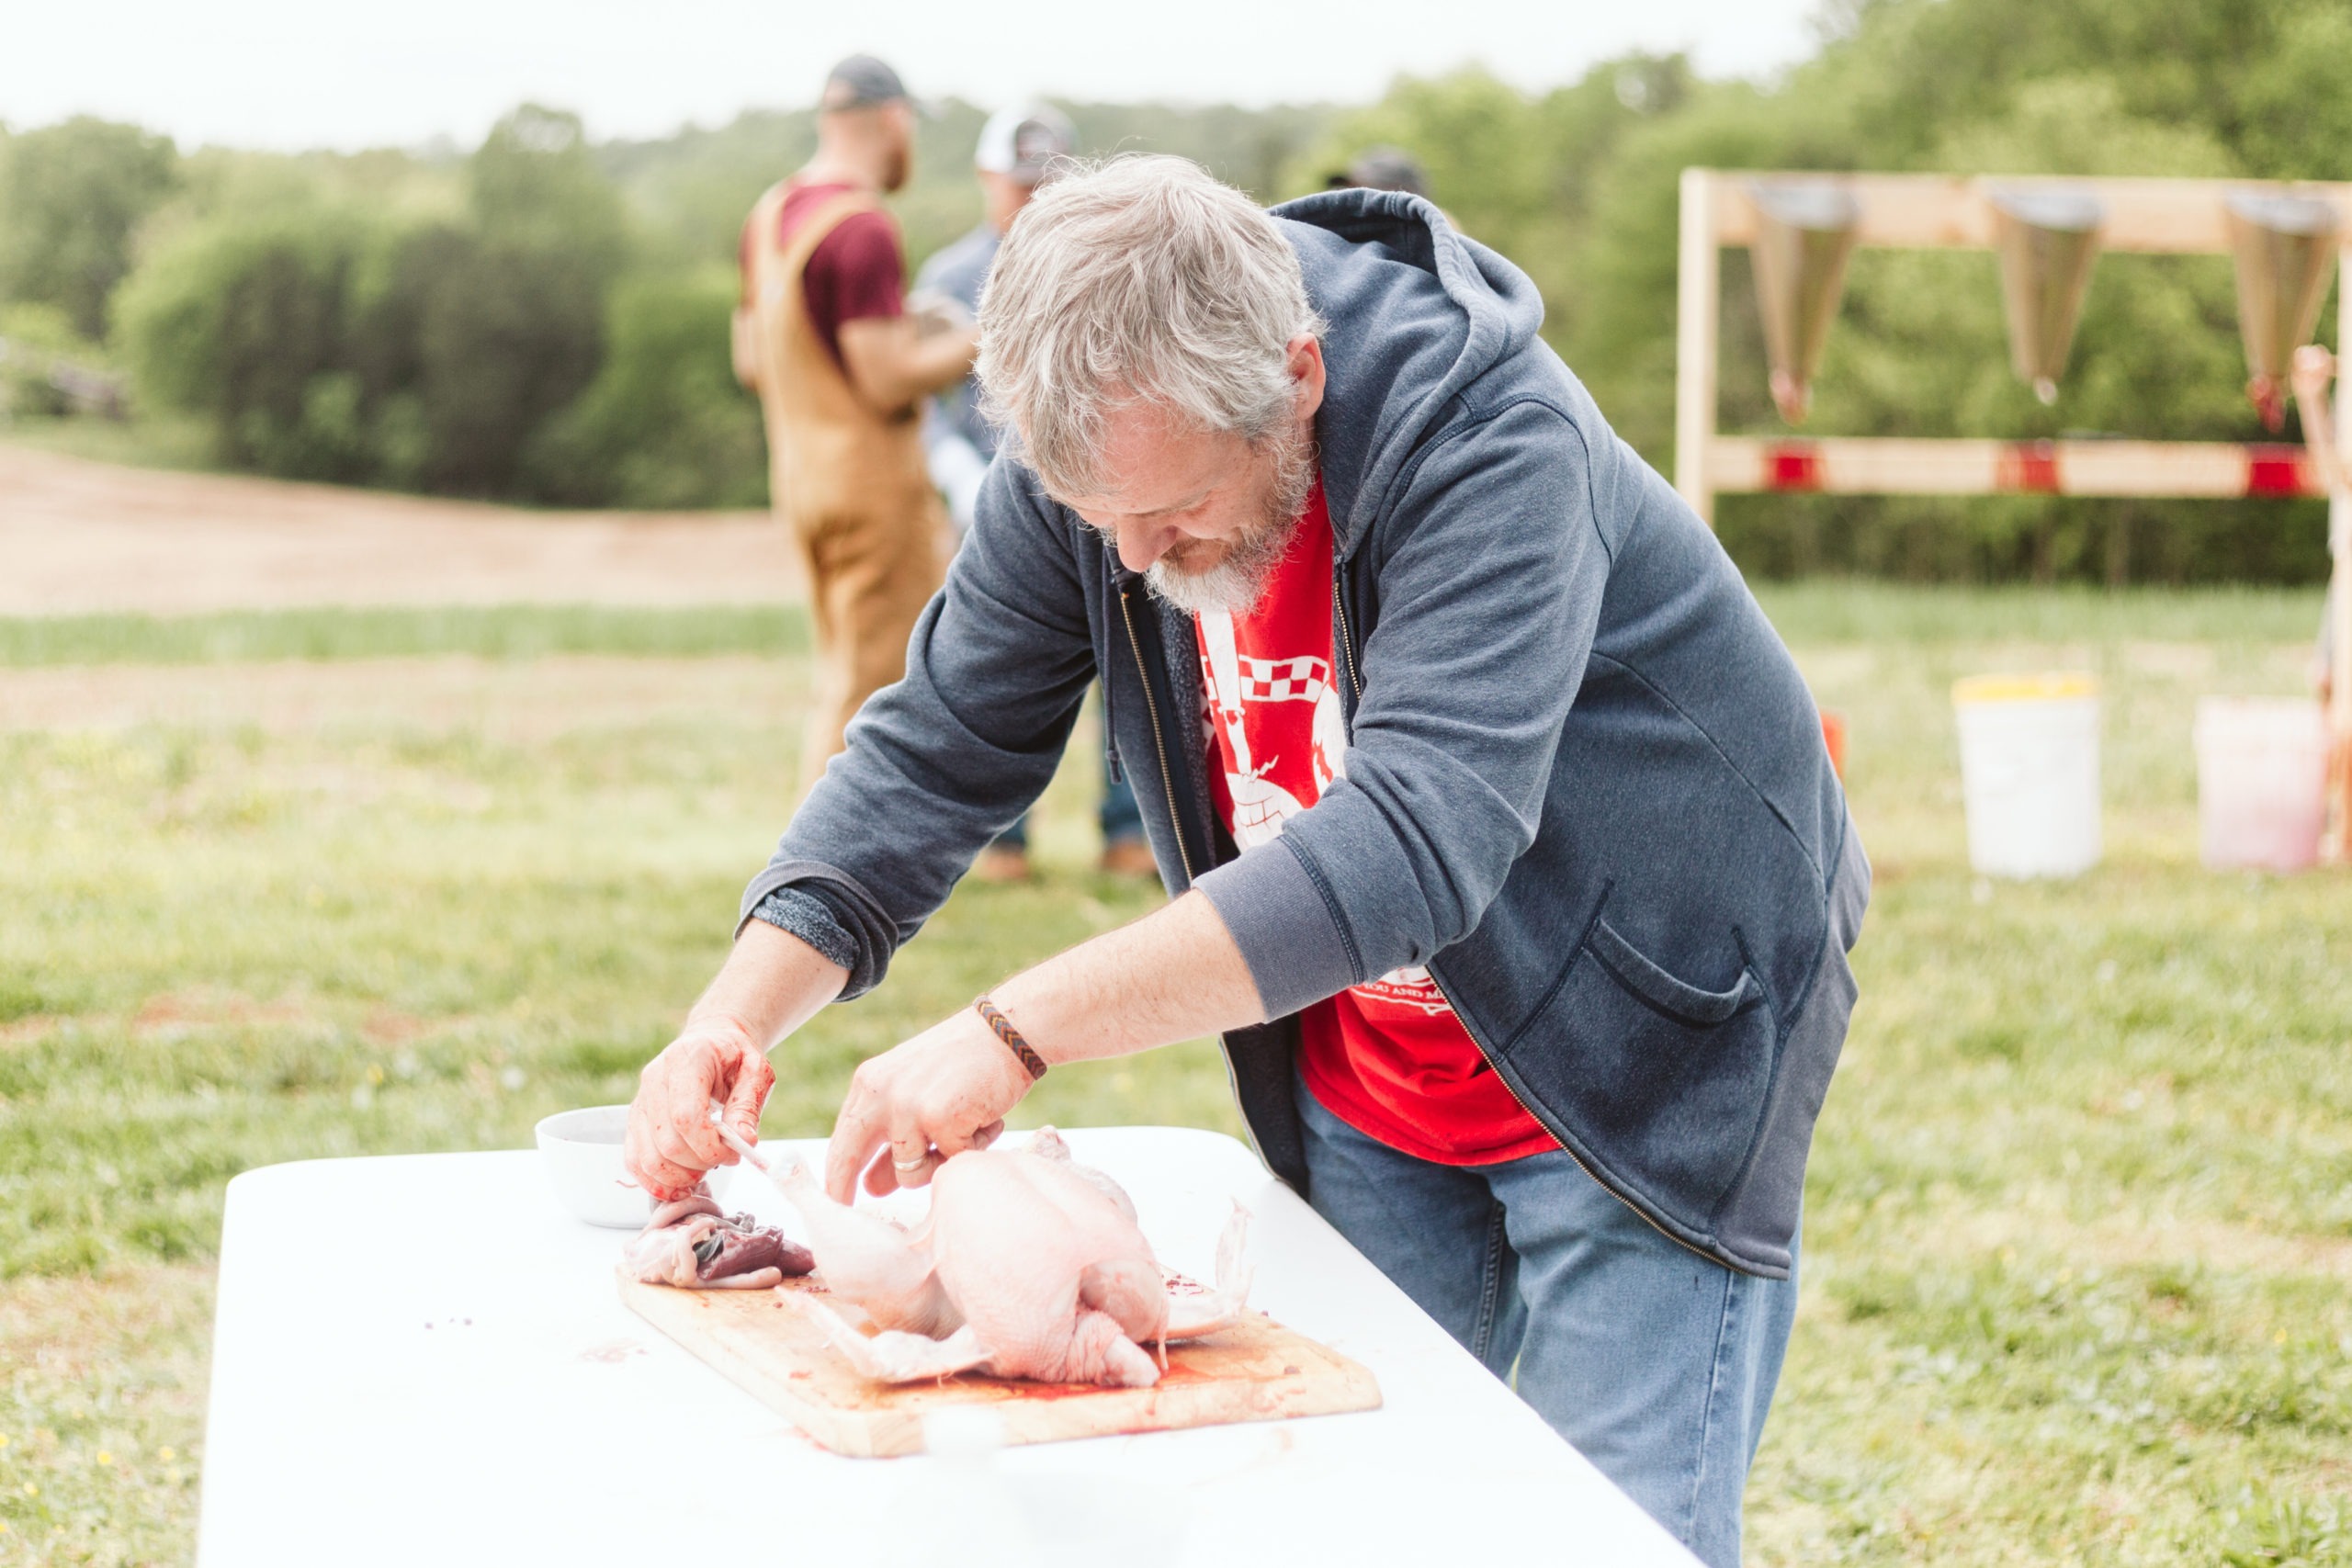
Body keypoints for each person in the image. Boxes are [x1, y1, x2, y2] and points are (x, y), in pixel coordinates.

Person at [636, 156, 1867, 1567]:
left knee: (1596, 1534)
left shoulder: (1489, 439)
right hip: (1373, 1057)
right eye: (1103, 522)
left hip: (1645, 1032)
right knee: (1342, 1512)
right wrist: (732, 1011)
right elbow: (940, 743)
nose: (1139, 563)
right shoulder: (1103, 458)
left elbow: (1417, 837)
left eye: (1172, 515)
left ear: (1294, 375)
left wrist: (1012, 1028)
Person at [913, 102, 1152, 881]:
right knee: (997, 669)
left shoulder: (1112, 263)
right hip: (988, 494)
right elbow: (923, 409)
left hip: (1103, 492)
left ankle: (1131, 829)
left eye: (1045, 184)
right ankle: (1000, 840)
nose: (1030, 200)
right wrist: (961, 479)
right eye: (1017, 184)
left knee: (1131, 663)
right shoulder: (949, 279)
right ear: (987, 179)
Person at [735, 54, 978, 800]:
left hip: (803, 480)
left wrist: (905, 325)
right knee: (871, 693)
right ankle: (816, 888)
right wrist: (986, 336)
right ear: (893, 119)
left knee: (840, 674)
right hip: (871, 489)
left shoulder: (773, 214)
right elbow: (882, 379)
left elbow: (753, 358)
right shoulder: (865, 227)